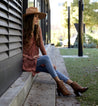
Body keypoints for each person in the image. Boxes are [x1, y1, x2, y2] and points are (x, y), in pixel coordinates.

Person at [23, 7, 88, 96]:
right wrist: (45, 60)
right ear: (30, 18)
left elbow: (42, 46)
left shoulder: (38, 29)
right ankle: (61, 84)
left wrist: (48, 62)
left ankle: (73, 85)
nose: (37, 19)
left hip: (35, 61)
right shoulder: (23, 30)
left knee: (51, 67)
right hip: (26, 62)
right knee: (46, 59)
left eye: (38, 16)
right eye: (35, 16)